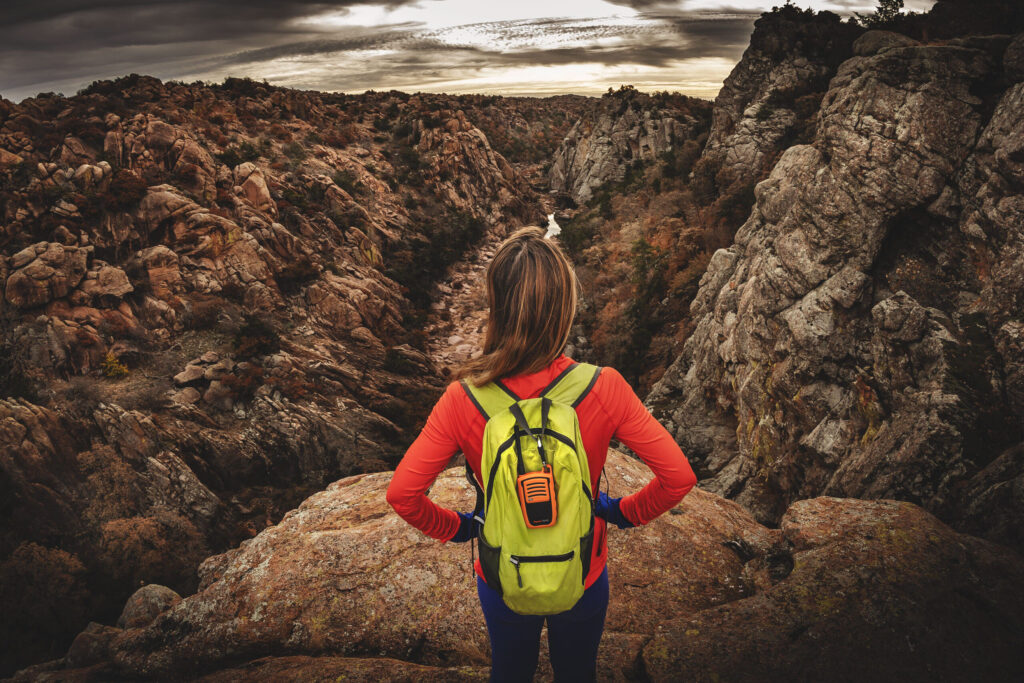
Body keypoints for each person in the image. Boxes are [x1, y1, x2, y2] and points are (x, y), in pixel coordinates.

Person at [386, 225, 697, 682]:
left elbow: (403, 495)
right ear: (564, 308)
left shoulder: (462, 399)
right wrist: (621, 512)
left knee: (510, 672)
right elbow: (678, 477)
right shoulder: (603, 386)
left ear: (497, 307)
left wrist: (458, 528)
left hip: (500, 572)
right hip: (583, 569)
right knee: (577, 673)